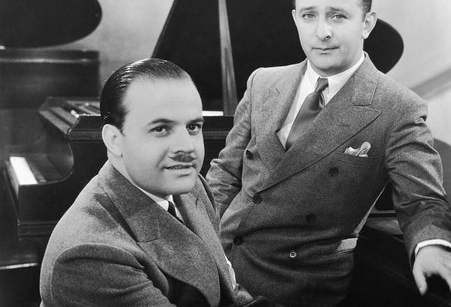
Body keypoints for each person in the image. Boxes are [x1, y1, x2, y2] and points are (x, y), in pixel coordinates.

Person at [206, 0, 451, 306]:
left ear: (367, 23)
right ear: (296, 19)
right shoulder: (263, 81)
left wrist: (431, 246)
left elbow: (422, 201)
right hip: (218, 262)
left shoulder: (398, 108)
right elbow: (225, 171)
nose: (322, 31)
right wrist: (199, 236)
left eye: (338, 16)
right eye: (309, 15)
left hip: (296, 285)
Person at [40, 59, 276, 307]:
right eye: (161, 129)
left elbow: (229, 292)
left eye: (193, 127)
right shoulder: (91, 255)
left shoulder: (190, 186)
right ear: (114, 140)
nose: (187, 147)